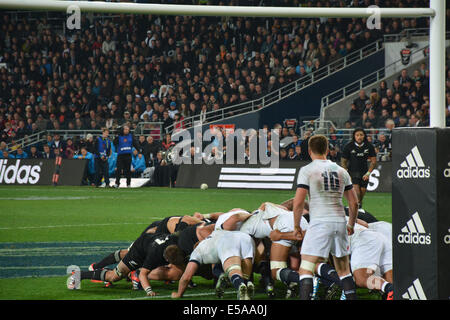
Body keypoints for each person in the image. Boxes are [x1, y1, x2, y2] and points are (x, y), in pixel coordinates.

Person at [293, 134, 359, 300]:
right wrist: (350, 224)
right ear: (328, 150)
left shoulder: (307, 170)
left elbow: (299, 202)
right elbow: (354, 203)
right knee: (344, 270)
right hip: (340, 222)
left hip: (320, 222)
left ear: (309, 151)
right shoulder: (342, 171)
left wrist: (296, 226)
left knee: (306, 268)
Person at [68, 232, 186, 297]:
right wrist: (149, 291)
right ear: (167, 259)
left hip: (149, 240)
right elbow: (143, 274)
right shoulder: (154, 256)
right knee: (114, 276)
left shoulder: (177, 241)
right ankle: (79, 275)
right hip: (137, 253)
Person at [171, 229, 255, 300]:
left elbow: (186, 277)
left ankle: (240, 285)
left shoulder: (197, 252)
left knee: (233, 269)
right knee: (244, 272)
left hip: (228, 241)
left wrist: (179, 294)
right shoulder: (213, 235)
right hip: (244, 236)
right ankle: (247, 283)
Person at [341, 128, 377, 208]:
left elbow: (374, 161)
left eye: (361, 135)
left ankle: (357, 207)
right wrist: (346, 172)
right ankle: (355, 208)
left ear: (364, 136)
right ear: (354, 136)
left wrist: (368, 173)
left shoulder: (369, 146)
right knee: (356, 192)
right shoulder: (349, 146)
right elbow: (343, 161)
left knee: (361, 193)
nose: (359, 137)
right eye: (357, 135)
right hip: (353, 173)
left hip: (364, 173)